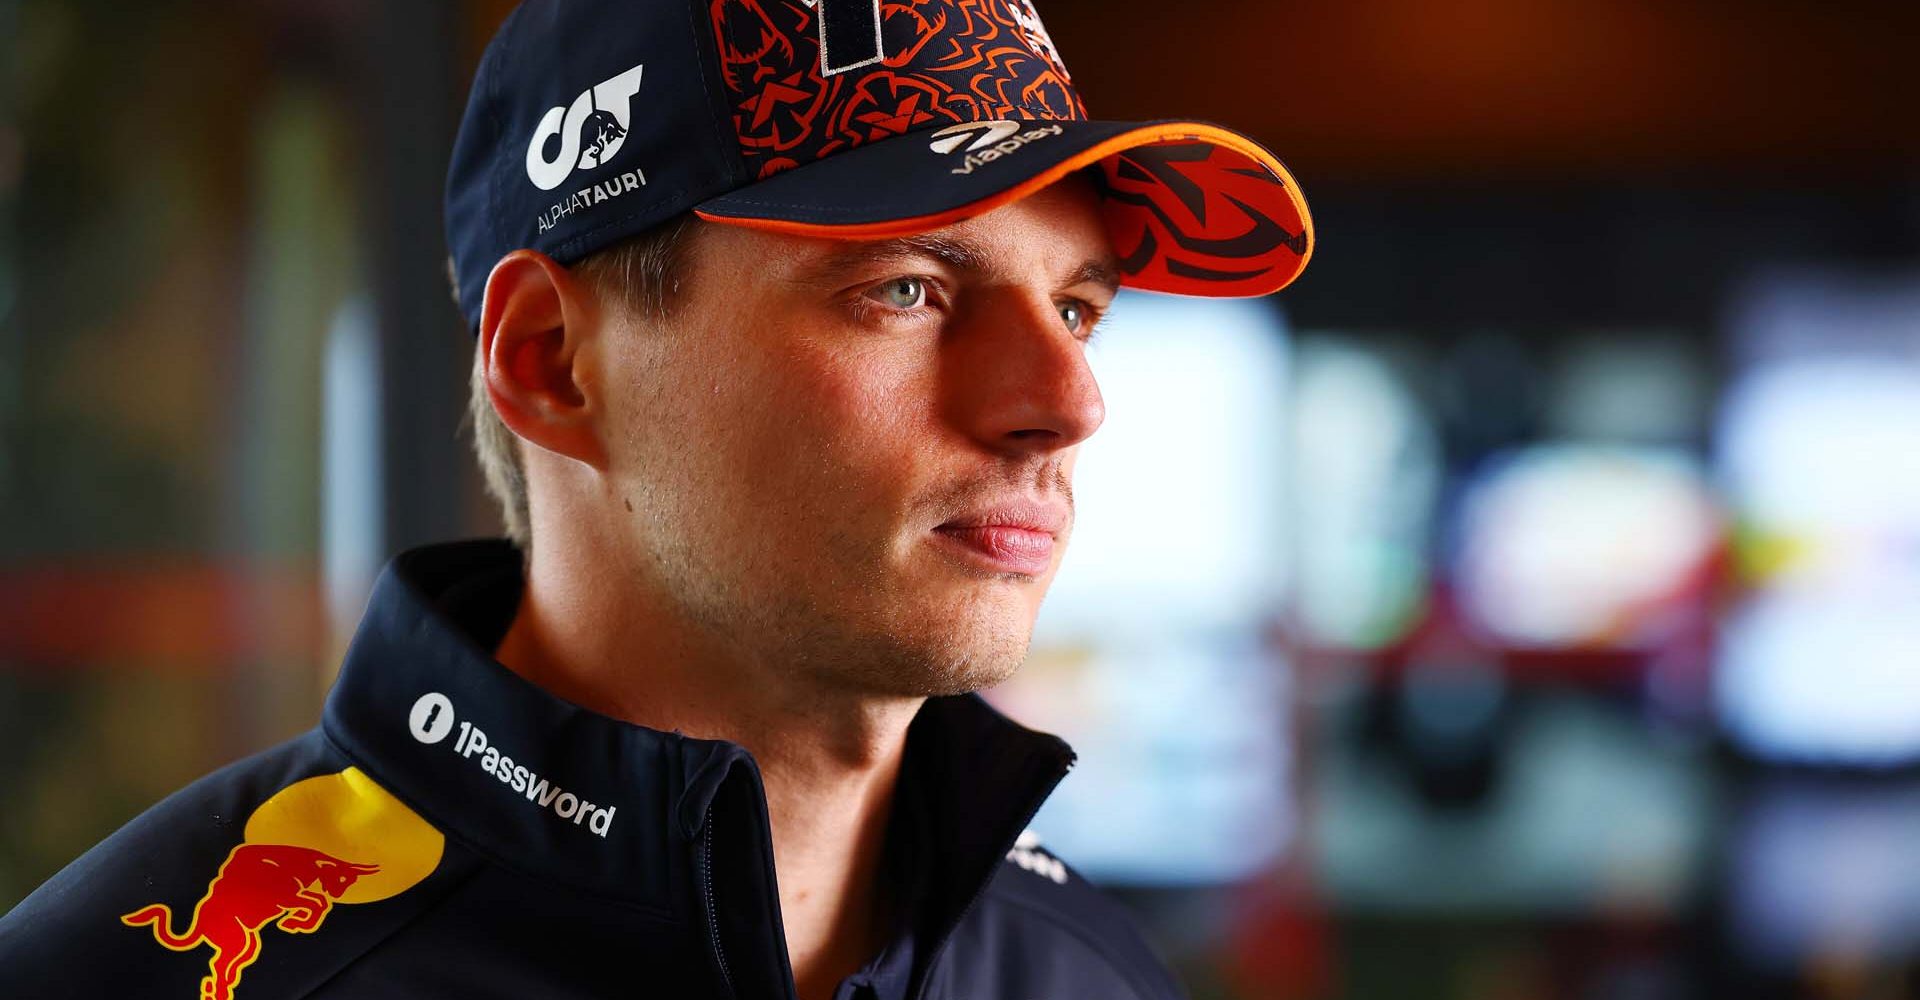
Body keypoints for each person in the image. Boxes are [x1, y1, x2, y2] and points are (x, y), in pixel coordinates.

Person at [0, 1, 1313, 997]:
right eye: (905, 290)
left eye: (1077, 309)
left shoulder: (1087, 968)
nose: (1070, 403)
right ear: (550, 362)